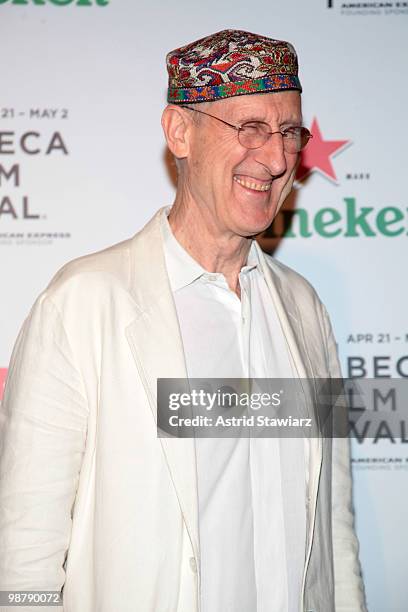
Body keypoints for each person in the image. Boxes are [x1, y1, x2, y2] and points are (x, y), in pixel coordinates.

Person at [0, 29, 366, 612]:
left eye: (289, 133)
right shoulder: (82, 303)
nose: (275, 160)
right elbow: (24, 552)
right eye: (249, 128)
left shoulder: (304, 311)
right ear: (179, 132)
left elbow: (333, 535)